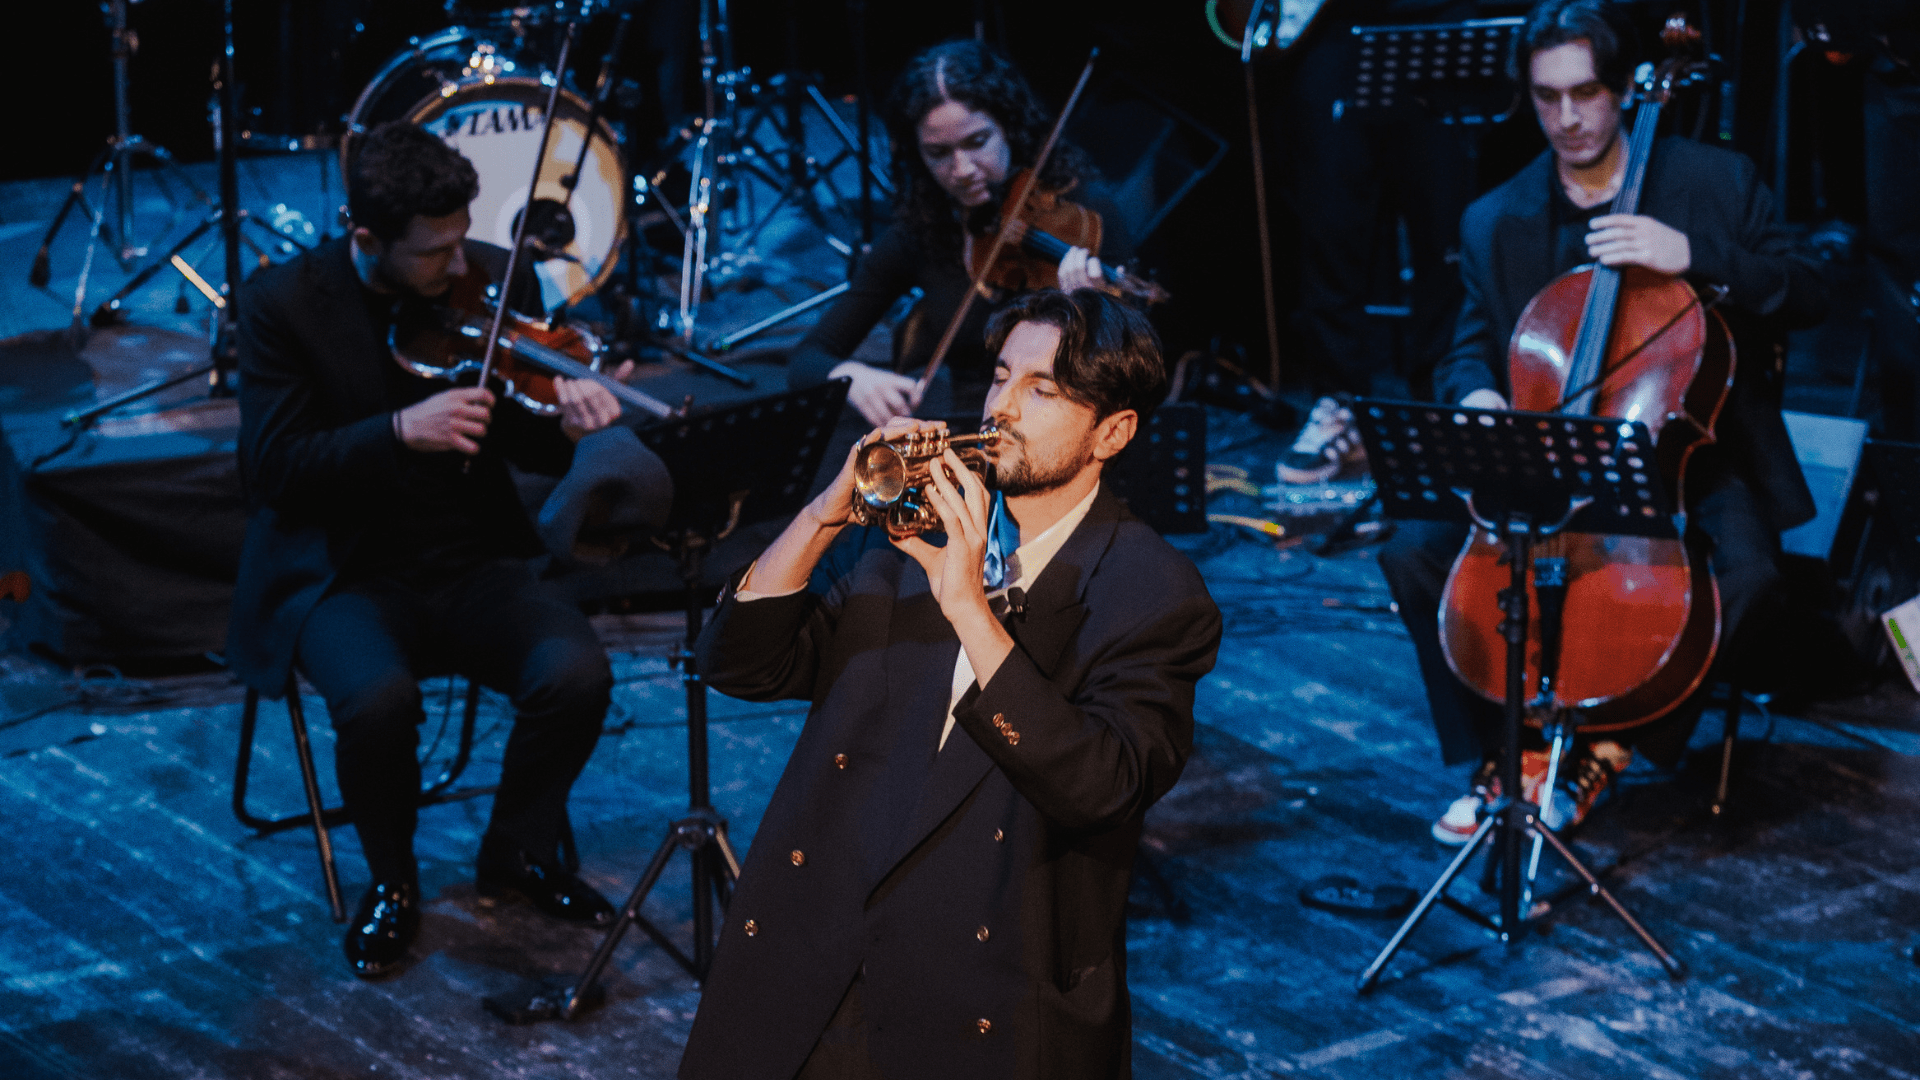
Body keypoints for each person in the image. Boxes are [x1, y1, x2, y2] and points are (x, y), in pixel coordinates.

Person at [679, 290, 1221, 1079]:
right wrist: (824, 515)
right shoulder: (910, 527)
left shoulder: (1154, 593)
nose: (1002, 407)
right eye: (1000, 377)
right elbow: (740, 664)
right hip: (814, 963)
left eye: (1042, 390)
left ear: (1113, 432)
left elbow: (1102, 785)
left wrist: (969, 606)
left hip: (980, 1000)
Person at [226, 121, 671, 978]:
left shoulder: (496, 276)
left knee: (576, 674)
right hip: (341, 573)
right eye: (434, 253)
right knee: (378, 702)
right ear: (366, 237)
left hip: (469, 559)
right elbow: (272, 470)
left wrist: (567, 422)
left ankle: (517, 851)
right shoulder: (285, 303)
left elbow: (524, 441)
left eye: (463, 238)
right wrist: (397, 431)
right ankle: (393, 883)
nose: (460, 265)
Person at [1375, 0, 1827, 842]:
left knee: (1751, 576)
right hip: (1548, 455)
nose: (1568, 117)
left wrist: (1692, 255)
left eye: (1585, 93)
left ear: (1621, 90)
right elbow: (1465, 350)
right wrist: (1477, 398)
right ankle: (1506, 752)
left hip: (1685, 451)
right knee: (1412, 548)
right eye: (1547, 97)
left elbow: (1808, 287)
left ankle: (1607, 746)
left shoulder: (1713, 183)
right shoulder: (1496, 218)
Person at [786, 39, 1124, 427]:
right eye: (938, 153)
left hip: (1063, 426)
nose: (962, 169)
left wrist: (1091, 321)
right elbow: (808, 358)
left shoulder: (1086, 214)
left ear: (1009, 129)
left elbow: (1134, 375)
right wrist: (849, 376)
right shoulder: (924, 230)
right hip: (962, 428)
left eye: (977, 142)